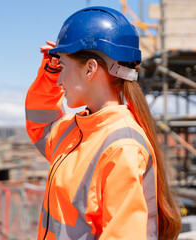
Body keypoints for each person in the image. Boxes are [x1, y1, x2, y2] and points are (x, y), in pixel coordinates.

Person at [25, 6, 181, 240]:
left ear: (90, 69)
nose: (59, 80)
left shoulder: (122, 148)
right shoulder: (77, 130)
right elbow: (41, 124)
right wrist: (49, 71)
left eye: (63, 68)